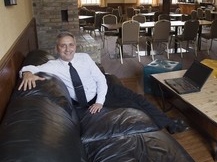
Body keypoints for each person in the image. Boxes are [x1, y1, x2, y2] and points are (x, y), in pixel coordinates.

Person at [18, 32, 187, 134]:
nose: (68, 49)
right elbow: (30, 66)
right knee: (134, 106)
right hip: (87, 102)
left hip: (104, 91)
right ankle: (164, 125)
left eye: (71, 45)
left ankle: (170, 125)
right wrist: (26, 73)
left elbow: (100, 79)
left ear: (75, 46)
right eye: (63, 46)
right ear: (57, 49)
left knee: (140, 99)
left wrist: (100, 101)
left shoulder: (84, 58)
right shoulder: (53, 65)